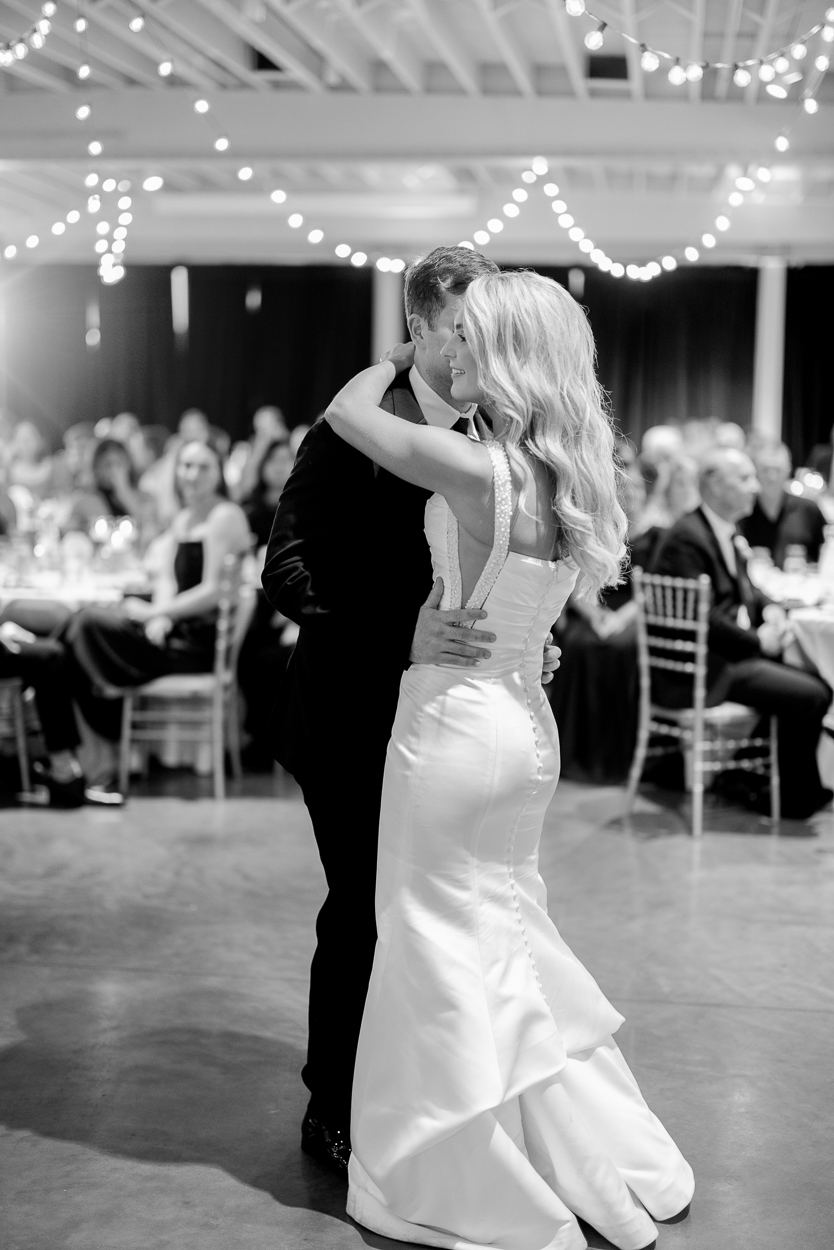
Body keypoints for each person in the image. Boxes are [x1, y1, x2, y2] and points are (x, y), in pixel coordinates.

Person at [325, 270, 694, 1250]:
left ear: (513, 354)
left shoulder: (472, 465)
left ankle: (469, 1169)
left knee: (433, 945)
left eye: (473, 340)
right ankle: (584, 1157)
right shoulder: (572, 470)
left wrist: (392, 357)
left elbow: (346, 413)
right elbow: (537, 607)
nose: (457, 356)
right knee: (507, 937)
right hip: (527, 722)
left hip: (454, 727)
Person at [263, 246, 512, 1169]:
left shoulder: (496, 425)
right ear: (419, 329)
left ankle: (413, 1085)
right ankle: (332, 1104)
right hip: (349, 712)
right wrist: (397, 637)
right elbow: (284, 571)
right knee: (362, 908)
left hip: (447, 720)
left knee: (431, 911)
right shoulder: (359, 425)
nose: (478, 343)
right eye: (460, 328)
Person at [63, 438, 251, 804]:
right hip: (176, 631)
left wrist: (157, 612)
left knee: (85, 625)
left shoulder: (224, 515)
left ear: (219, 473)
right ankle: (100, 752)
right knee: (77, 630)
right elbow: (167, 578)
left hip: (199, 642)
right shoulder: (184, 518)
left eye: (203, 466)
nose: (192, 475)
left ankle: (101, 751)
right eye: (186, 466)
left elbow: (213, 591)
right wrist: (159, 618)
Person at [651, 447, 832, 820]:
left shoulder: (720, 529)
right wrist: (758, 641)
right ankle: (793, 797)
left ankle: (774, 782)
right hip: (698, 669)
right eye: (745, 478)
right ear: (714, 485)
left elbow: (746, 590)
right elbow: (705, 618)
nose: (756, 487)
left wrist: (772, 609)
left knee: (812, 678)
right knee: (814, 693)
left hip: (724, 657)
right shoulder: (688, 537)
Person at [739, 441, 826, 568]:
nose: (771, 477)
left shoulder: (809, 509)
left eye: (777, 470)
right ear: (755, 470)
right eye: (765, 469)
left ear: (788, 470)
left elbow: (824, 559)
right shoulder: (741, 510)